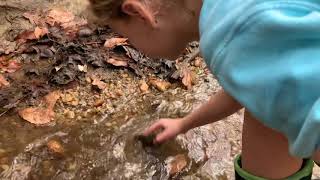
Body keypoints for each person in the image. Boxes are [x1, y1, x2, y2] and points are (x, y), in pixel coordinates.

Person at [89, 0, 320, 179]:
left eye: (128, 36)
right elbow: (255, 88)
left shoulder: (230, 38)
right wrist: (184, 123)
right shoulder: (234, 13)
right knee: (263, 112)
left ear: (138, 13)